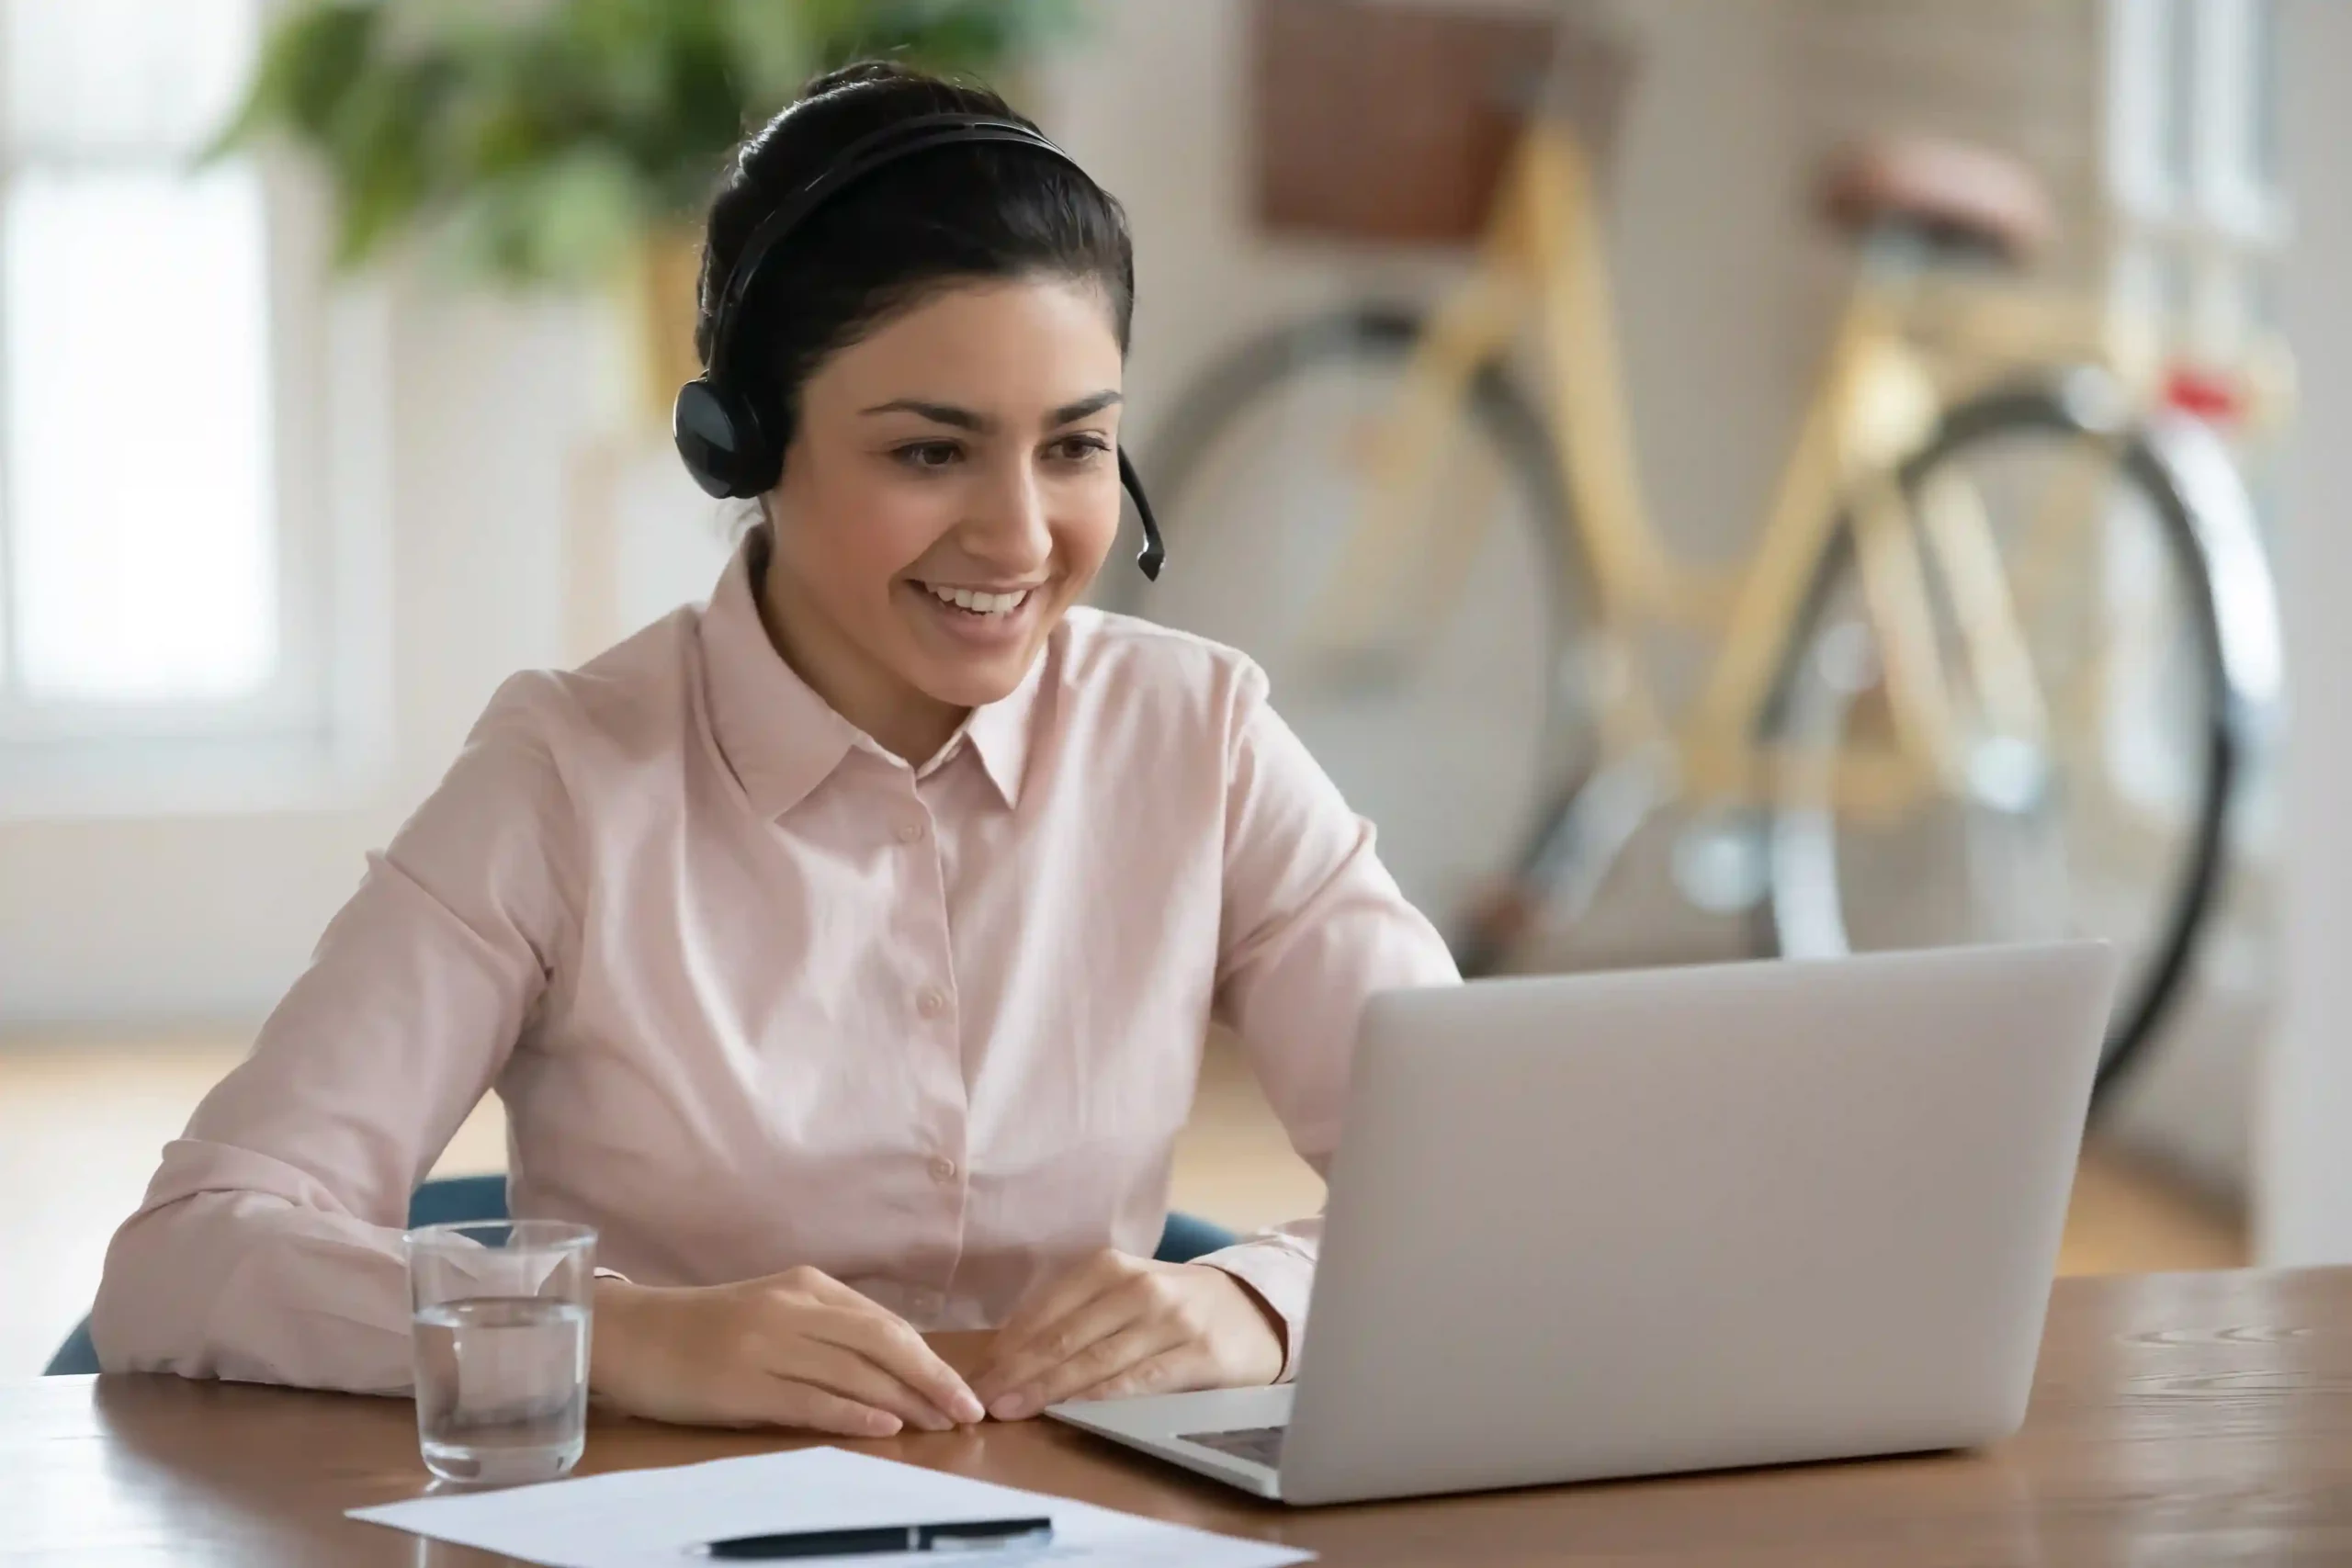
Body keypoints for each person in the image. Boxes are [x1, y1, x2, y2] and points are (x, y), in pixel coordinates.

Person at [93, 62, 1455, 1437]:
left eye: (1075, 446)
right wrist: (620, 1335)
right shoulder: (565, 776)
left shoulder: (1198, 735)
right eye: (931, 454)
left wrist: (1261, 1301)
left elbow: (1500, 1186)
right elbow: (189, 1252)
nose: (1023, 537)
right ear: (742, 444)